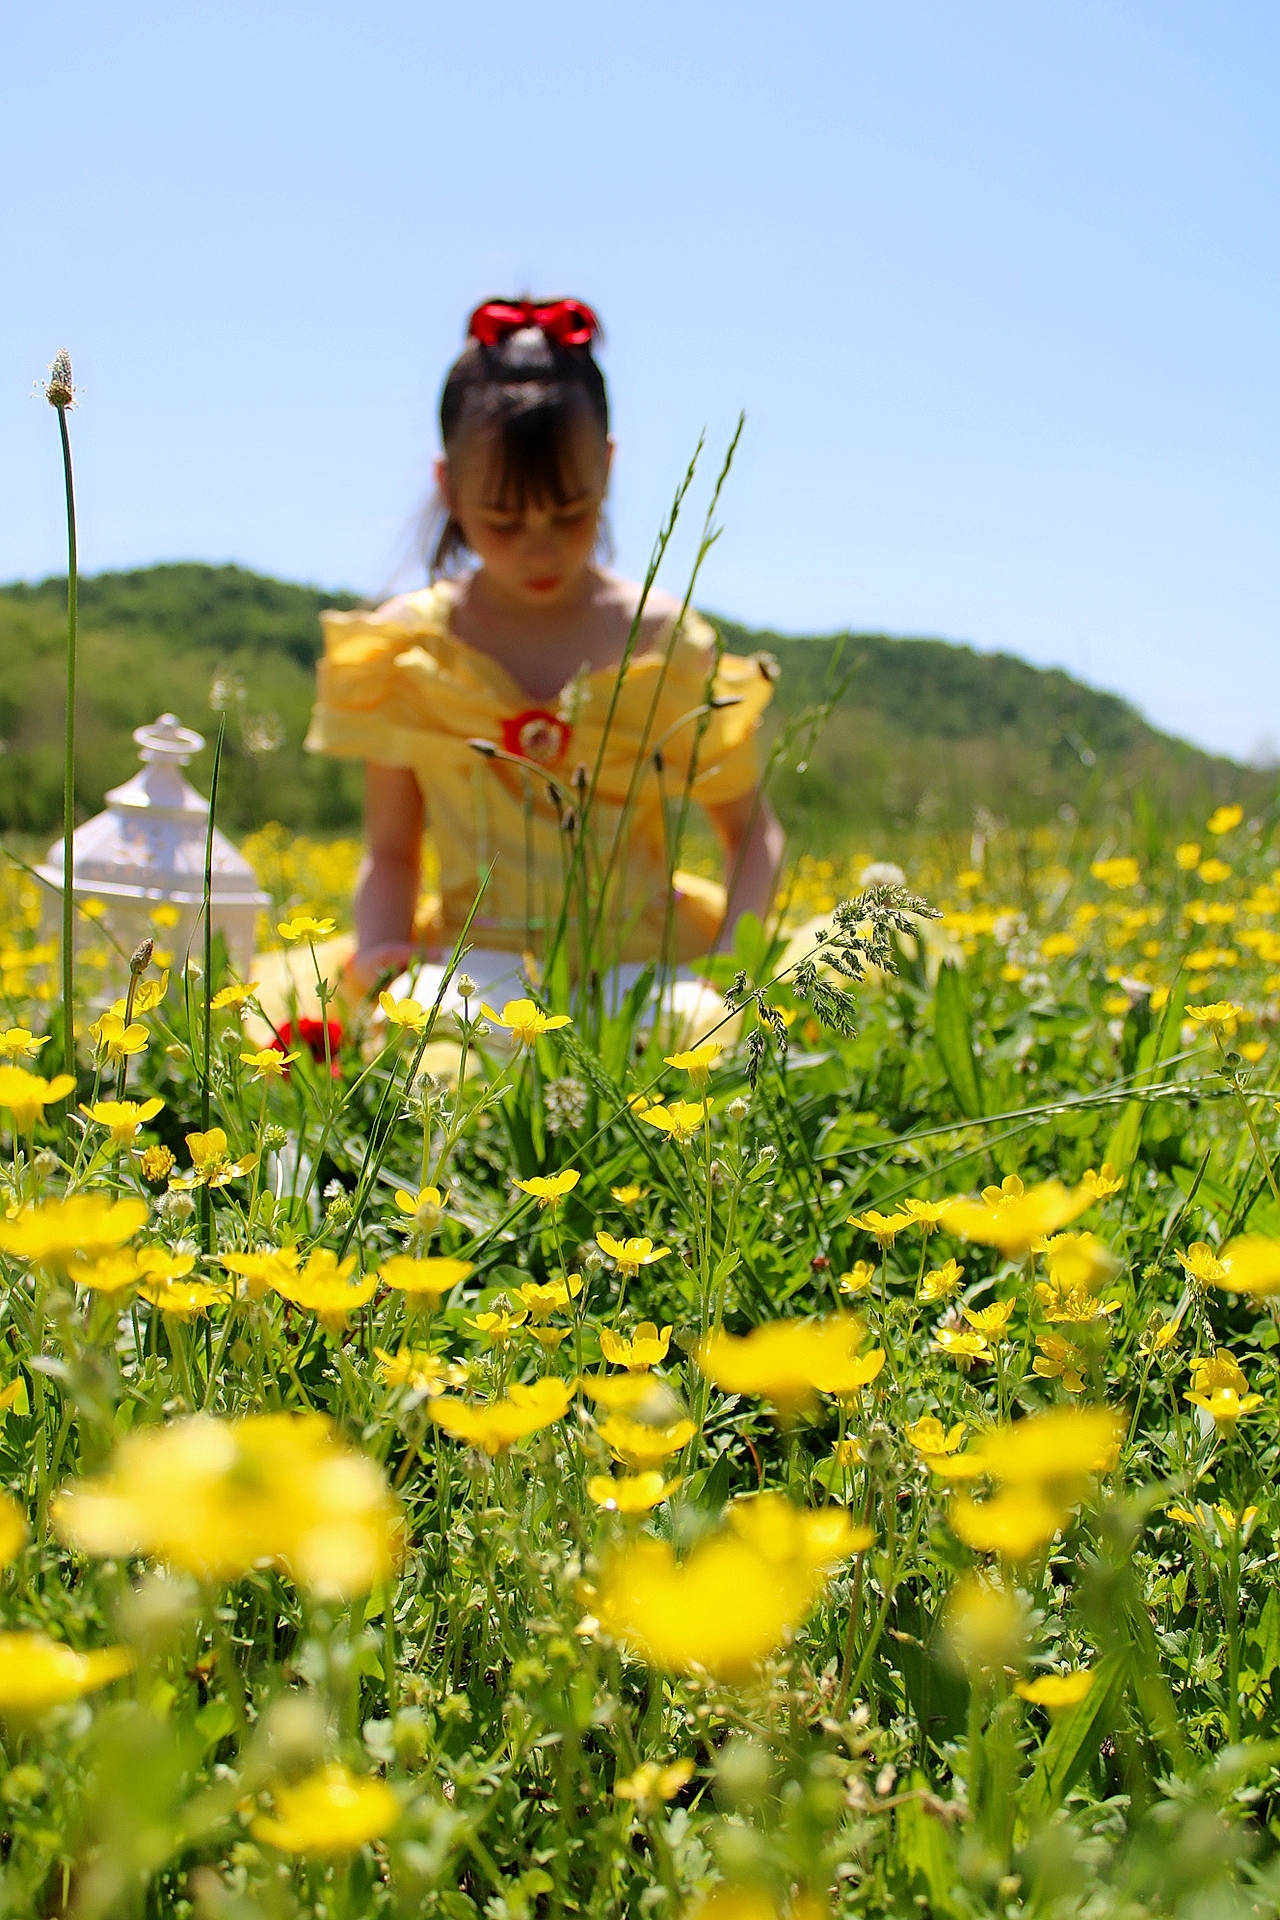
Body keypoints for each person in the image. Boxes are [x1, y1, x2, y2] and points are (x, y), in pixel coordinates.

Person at [305, 296, 784, 1020]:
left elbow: (752, 834)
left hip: (649, 961)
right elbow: (393, 851)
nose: (540, 546)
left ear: (609, 468)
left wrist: (734, 970)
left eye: (570, 512)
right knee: (442, 1062)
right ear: (448, 488)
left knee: (694, 1045)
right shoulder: (409, 651)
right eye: (502, 519)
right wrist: (378, 956)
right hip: (475, 961)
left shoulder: (665, 644)